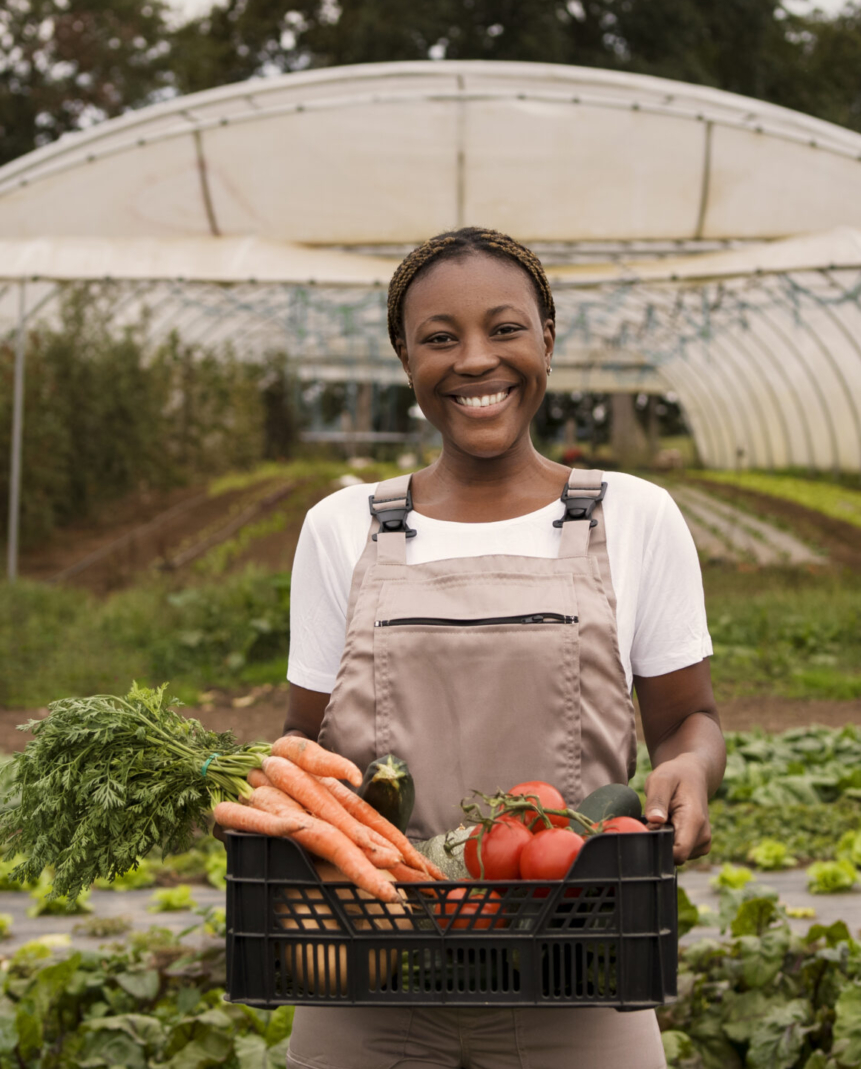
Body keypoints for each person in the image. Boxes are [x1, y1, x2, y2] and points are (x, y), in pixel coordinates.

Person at [282, 227, 725, 1069]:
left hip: (581, 972)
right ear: (405, 357)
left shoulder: (632, 515)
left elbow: (689, 718)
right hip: (371, 974)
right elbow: (304, 744)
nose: (475, 360)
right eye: (440, 338)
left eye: (505, 328)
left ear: (548, 341)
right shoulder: (341, 526)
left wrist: (692, 771)